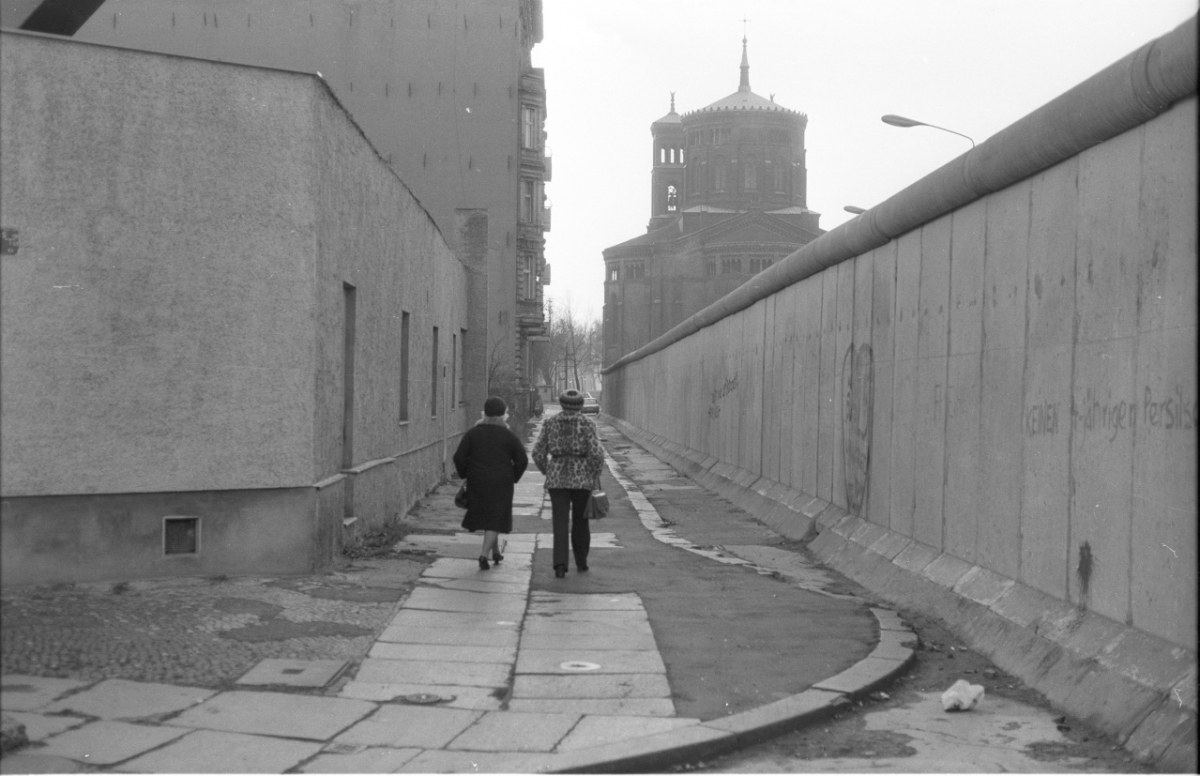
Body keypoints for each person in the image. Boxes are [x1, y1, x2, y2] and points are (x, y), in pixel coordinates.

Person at [531, 388, 605, 578]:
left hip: (557, 478)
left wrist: (548, 470)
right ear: (580, 405)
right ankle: (581, 562)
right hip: (582, 478)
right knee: (581, 521)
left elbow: (537, 452)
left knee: (560, 521)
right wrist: (595, 473)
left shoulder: (550, 423)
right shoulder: (587, 424)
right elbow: (597, 453)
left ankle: (560, 565)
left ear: (562, 404)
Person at [453, 396, 528, 570]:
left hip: (477, 480)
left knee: (489, 516)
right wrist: (513, 476)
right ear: (504, 415)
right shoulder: (509, 436)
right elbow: (522, 460)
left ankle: (495, 553)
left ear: (484, 413)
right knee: (496, 517)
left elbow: (459, 457)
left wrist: (465, 473)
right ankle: (483, 555)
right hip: (501, 482)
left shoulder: (473, 434)